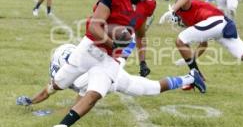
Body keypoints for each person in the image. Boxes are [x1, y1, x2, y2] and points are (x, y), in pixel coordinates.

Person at [43, 0, 200, 127]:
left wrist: (141, 61)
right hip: (106, 54)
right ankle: (189, 78)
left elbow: (139, 35)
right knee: (144, 87)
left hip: (113, 55)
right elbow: (97, 29)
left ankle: (189, 78)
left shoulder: (143, 4)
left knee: (138, 87)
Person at [16, 43, 205, 108]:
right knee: (151, 86)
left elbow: (79, 104)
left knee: (153, 88)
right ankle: (190, 77)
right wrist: (31, 101)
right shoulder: (69, 70)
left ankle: (190, 77)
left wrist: (56, 113)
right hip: (103, 74)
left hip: (112, 78)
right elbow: (48, 90)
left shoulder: (81, 74)